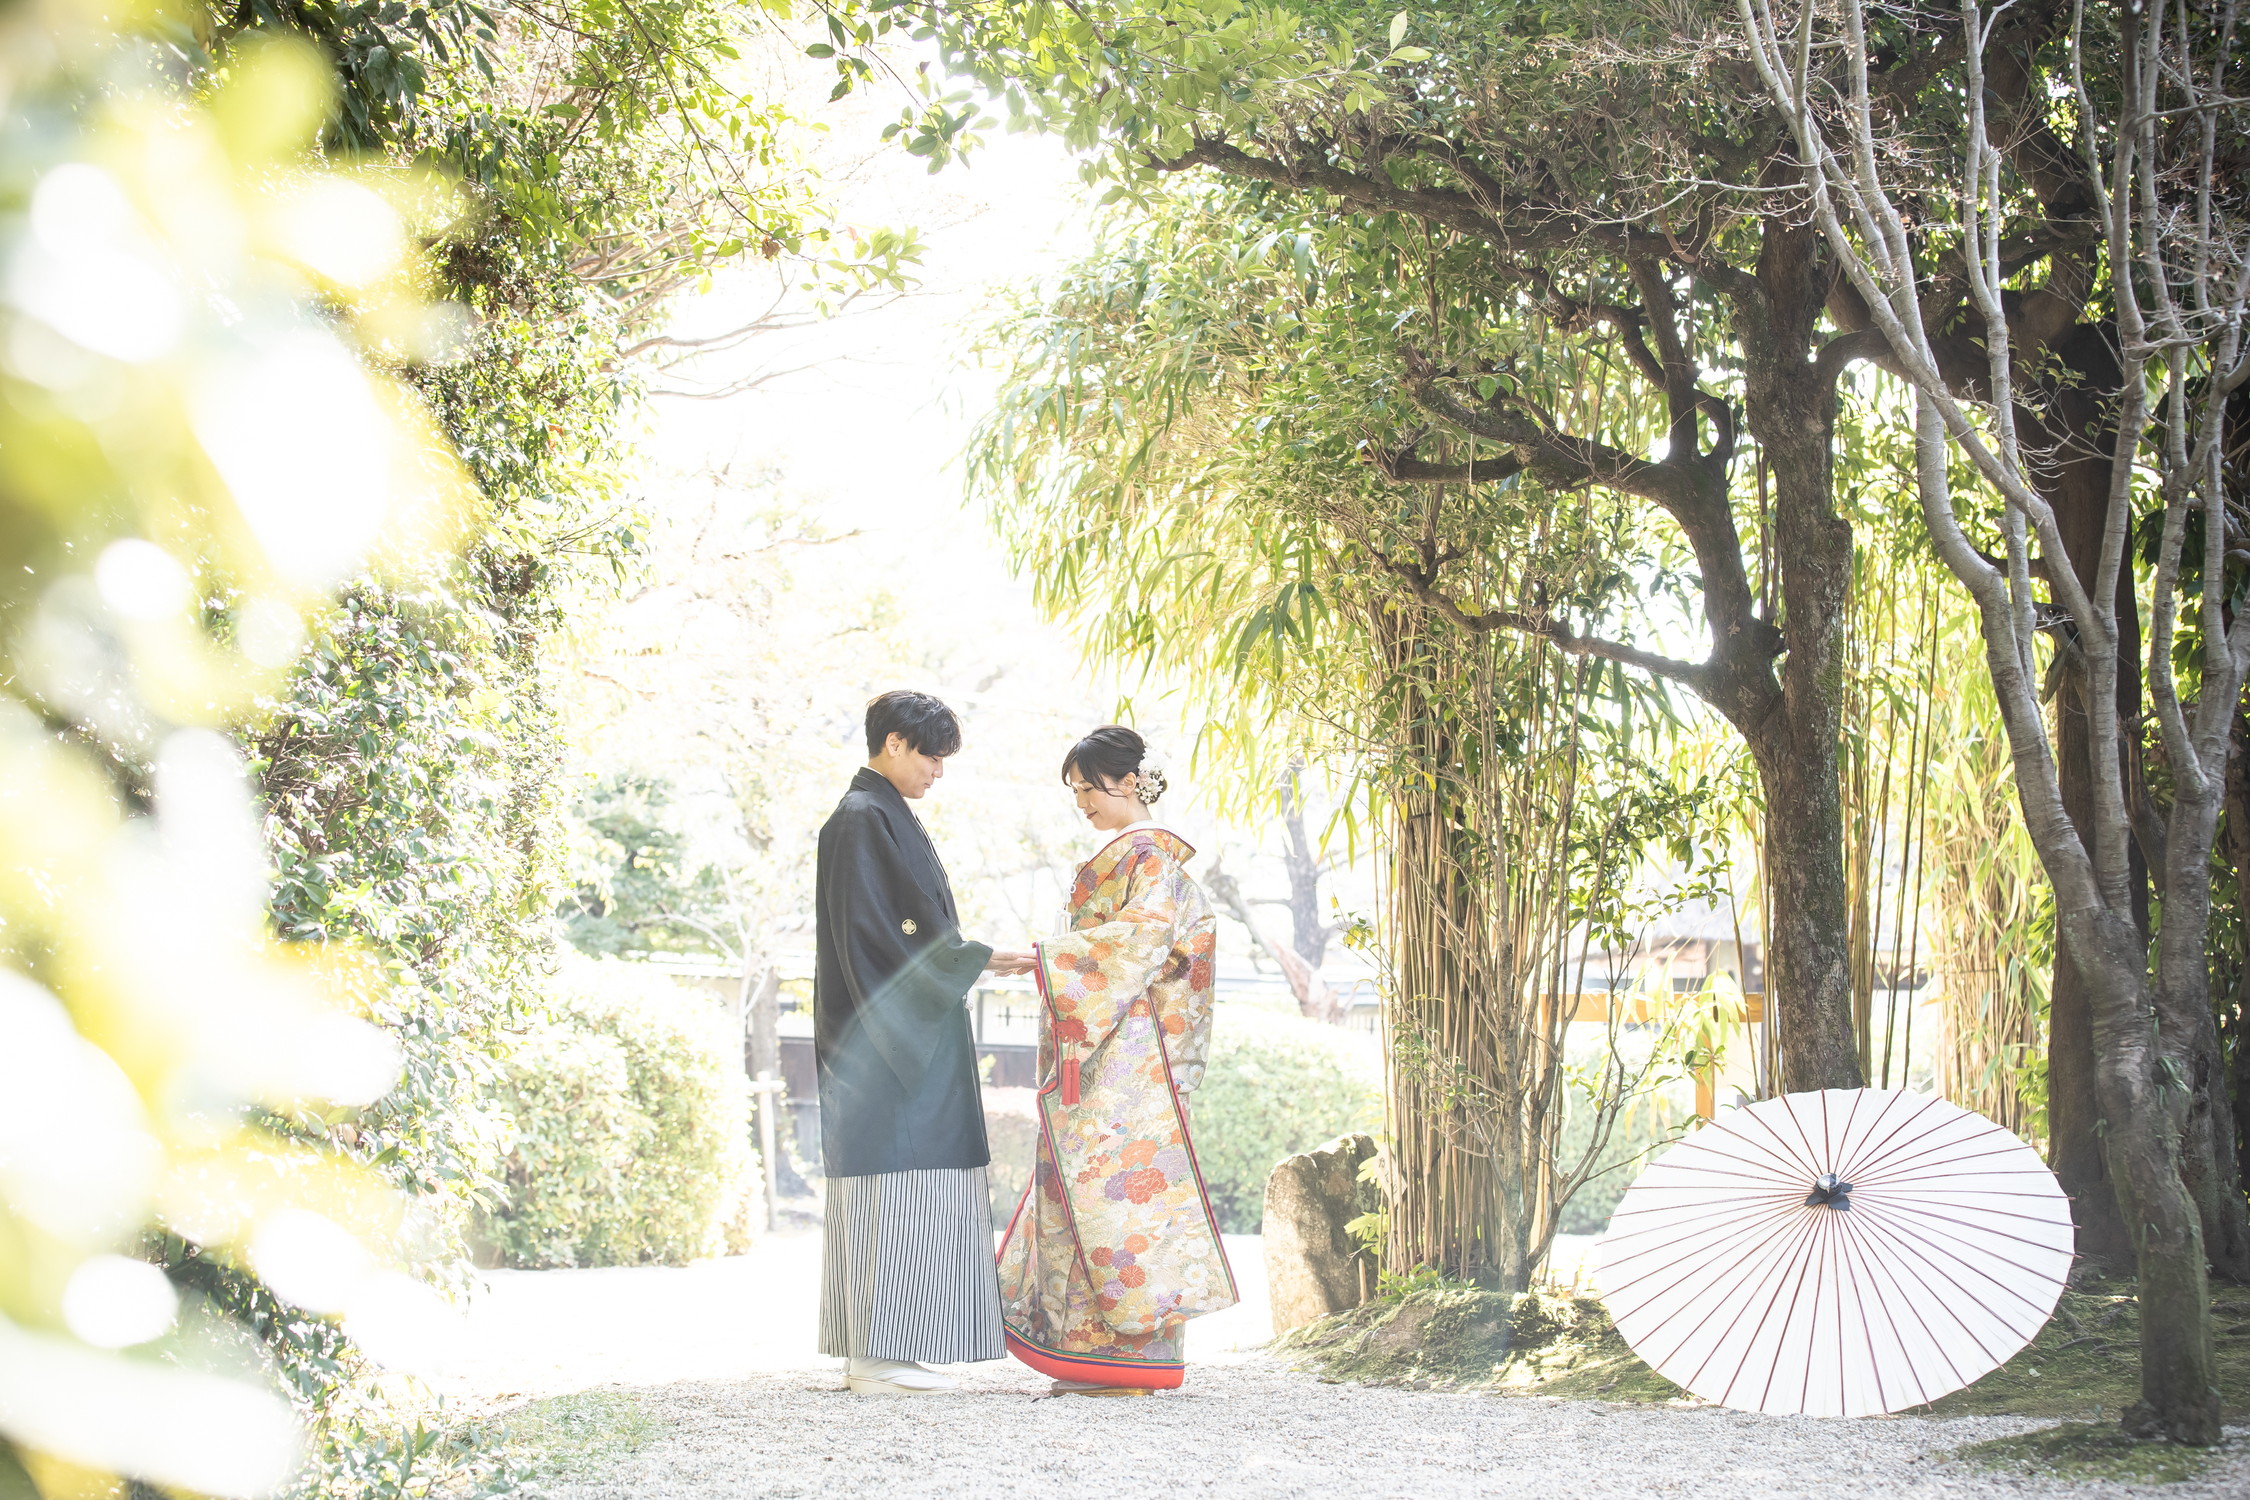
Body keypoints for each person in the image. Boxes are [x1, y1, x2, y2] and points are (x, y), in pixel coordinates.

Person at [997, 725, 1236, 1395]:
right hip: (1111, 1057)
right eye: (1073, 789)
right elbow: (1110, 947)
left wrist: (1051, 958)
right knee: (1097, 1199)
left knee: (1122, 1204)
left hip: (1129, 1069)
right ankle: (1084, 1354)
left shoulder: (1151, 862)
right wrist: (1055, 959)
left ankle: (1123, 1362)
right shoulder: (1134, 860)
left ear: (1128, 781)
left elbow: (1131, 948)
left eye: (1085, 786)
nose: (1080, 802)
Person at [814, 690, 1036, 1396]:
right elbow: (877, 939)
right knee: (895, 1182)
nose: (940, 769)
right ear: (895, 743)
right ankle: (879, 1357)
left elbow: (913, 934)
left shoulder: (882, 814)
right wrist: (970, 957)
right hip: (883, 1044)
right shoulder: (860, 819)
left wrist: (971, 955)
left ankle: (886, 1350)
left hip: (903, 1031)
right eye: (932, 754)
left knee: (909, 1185)